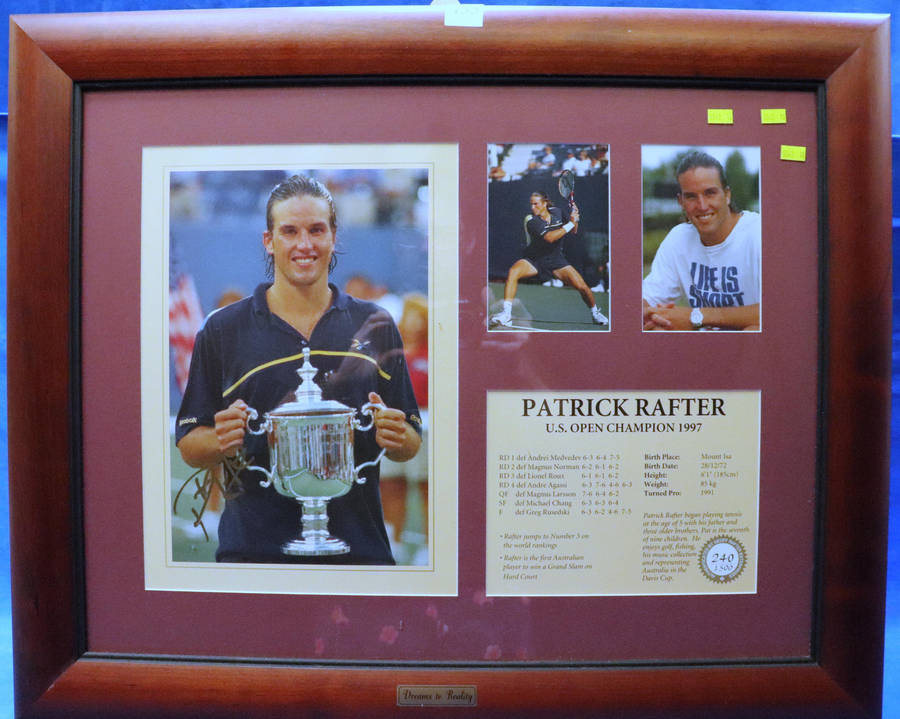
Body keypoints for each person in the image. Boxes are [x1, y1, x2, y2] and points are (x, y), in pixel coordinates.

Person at [176, 174, 422, 564]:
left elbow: (409, 442)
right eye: (289, 231)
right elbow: (190, 445)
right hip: (253, 557)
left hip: (358, 557)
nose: (304, 244)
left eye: (316, 230)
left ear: (334, 237)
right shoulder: (223, 329)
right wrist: (221, 438)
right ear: (269, 241)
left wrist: (397, 434)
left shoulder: (375, 324)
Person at [642, 151, 761, 331]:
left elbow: (779, 312)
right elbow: (646, 301)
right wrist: (653, 316)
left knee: (751, 330)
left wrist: (695, 317)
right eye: (691, 197)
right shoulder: (678, 238)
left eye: (710, 193)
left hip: (751, 350)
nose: (702, 205)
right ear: (680, 201)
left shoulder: (758, 233)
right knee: (657, 329)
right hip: (702, 350)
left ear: (727, 195)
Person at [490, 191, 608, 327]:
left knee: (583, 287)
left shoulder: (557, 212)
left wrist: (575, 219)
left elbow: (574, 230)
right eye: (531, 204)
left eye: (536, 204)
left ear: (545, 203)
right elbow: (550, 238)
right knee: (514, 271)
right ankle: (506, 314)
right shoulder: (532, 221)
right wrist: (570, 223)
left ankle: (595, 314)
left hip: (556, 261)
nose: (532, 207)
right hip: (534, 260)